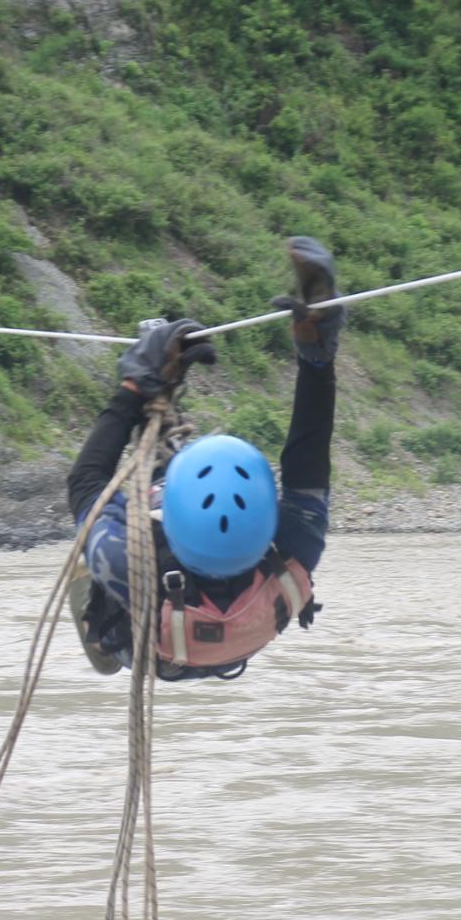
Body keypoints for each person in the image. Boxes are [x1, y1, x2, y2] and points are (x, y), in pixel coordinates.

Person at [65, 236, 343, 680]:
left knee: (94, 548)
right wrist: (317, 357)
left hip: (149, 652)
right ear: (267, 514)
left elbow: (86, 485)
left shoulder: (124, 562)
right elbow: (308, 453)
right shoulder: (295, 549)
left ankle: (101, 643)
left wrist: (135, 389)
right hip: (229, 644)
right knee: (126, 512)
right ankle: (162, 458)